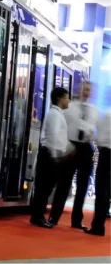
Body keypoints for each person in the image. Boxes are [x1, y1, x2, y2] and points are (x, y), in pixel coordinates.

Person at [49, 81, 100, 228]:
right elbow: (61, 127)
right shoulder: (69, 107)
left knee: (83, 186)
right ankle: (54, 217)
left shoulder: (94, 111)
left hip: (86, 147)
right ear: (80, 89)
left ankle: (77, 220)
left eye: (89, 90)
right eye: (85, 89)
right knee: (64, 184)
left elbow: (96, 129)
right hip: (70, 146)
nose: (86, 92)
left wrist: (93, 137)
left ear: (91, 93)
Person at [30, 87, 72, 229]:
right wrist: (55, 155)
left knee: (46, 188)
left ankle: (37, 216)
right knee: (44, 187)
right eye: (67, 97)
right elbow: (52, 136)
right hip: (49, 155)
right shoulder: (54, 114)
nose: (69, 101)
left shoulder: (57, 114)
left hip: (51, 155)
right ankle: (37, 217)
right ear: (60, 99)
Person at [86, 108, 110, 236]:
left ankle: (98, 226)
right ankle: (99, 225)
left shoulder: (107, 114)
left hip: (107, 153)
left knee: (101, 190)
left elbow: (99, 136)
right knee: (106, 190)